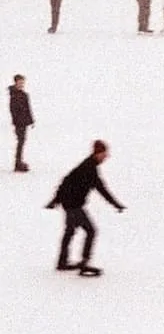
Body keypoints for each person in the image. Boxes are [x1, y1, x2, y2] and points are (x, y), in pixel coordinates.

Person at [45, 140, 126, 277]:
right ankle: (84, 262)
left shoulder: (88, 165)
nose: (105, 157)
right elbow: (101, 188)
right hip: (73, 205)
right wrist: (115, 204)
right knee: (91, 230)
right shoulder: (89, 168)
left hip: (70, 203)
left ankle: (62, 262)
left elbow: (66, 181)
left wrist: (56, 200)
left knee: (70, 231)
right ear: (98, 153)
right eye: (104, 154)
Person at [8, 73, 34, 172]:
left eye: (23, 82)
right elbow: (13, 110)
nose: (22, 84)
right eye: (20, 82)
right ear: (16, 82)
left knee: (22, 142)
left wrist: (31, 120)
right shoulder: (14, 94)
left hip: (24, 122)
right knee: (20, 142)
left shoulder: (24, 95)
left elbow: (28, 108)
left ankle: (19, 162)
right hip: (19, 123)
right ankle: (18, 163)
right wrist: (17, 121)